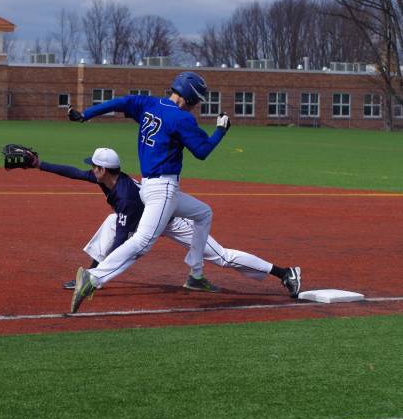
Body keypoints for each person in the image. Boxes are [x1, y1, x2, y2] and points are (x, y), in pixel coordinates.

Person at [67, 71, 246, 313]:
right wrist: (220, 131)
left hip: (148, 184)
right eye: (198, 100)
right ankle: (94, 277)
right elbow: (202, 151)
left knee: (204, 213)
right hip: (163, 189)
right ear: (190, 98)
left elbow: (118, 102)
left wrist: (85, 114)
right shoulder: (182, 118)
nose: (197, 106)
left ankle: (195, 270)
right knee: (142, 242)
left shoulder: (148, 103)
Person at [32, 147, 301, 300]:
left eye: (93, 166)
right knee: (111, 222)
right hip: (145, 221)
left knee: (221, 257)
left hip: (173, 222)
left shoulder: (125, 195)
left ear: (103, 170)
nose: (90, 169)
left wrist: (100, 271)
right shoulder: (109, 179)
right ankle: (87, 275)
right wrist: (38, 164)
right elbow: (74, 173)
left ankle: (285, 273)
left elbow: (122, 242)